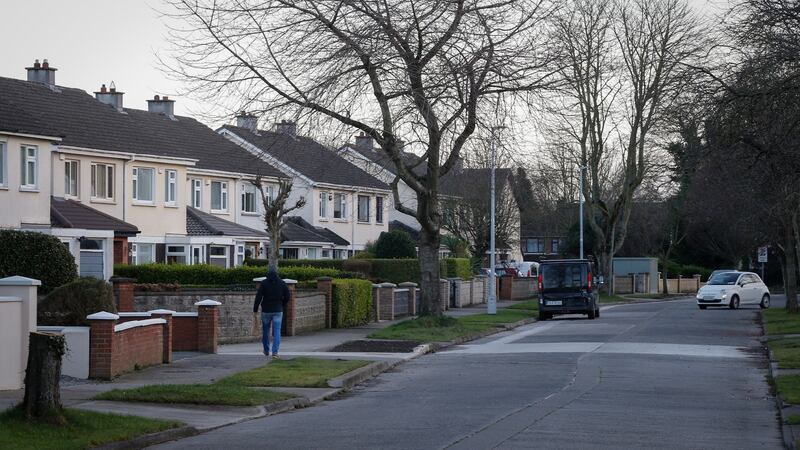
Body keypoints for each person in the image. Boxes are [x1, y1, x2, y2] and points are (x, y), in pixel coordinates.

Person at [253, 266, 290, 358]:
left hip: (266, 310)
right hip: (278, 310)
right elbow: (288, 296)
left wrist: (255, 309)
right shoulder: (282, 283)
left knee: (266, 331)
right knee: (277, 331)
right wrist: (282, 304)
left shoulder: (264, 283)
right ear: (277, 273)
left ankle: (266, 350)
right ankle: (275, 352)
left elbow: (258, 297)